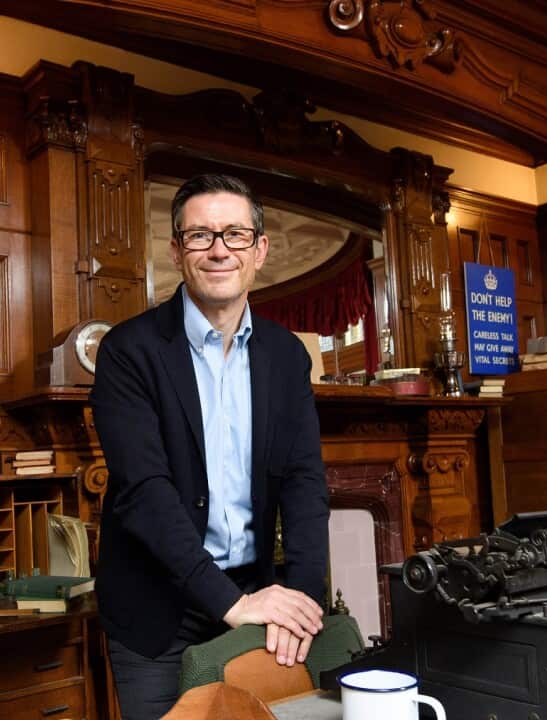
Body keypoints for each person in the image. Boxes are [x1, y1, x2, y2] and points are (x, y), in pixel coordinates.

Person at [92, 174, 330, 719]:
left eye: (235, 235)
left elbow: (304, 480)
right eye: (200, 236)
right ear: (177, 251)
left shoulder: (287, 354)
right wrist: (231, 603)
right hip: (157, 611)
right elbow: (145, 494)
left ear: (260, 250)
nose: (219, 249)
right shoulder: (128, 352)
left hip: (256, 593)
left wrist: (303, 597)